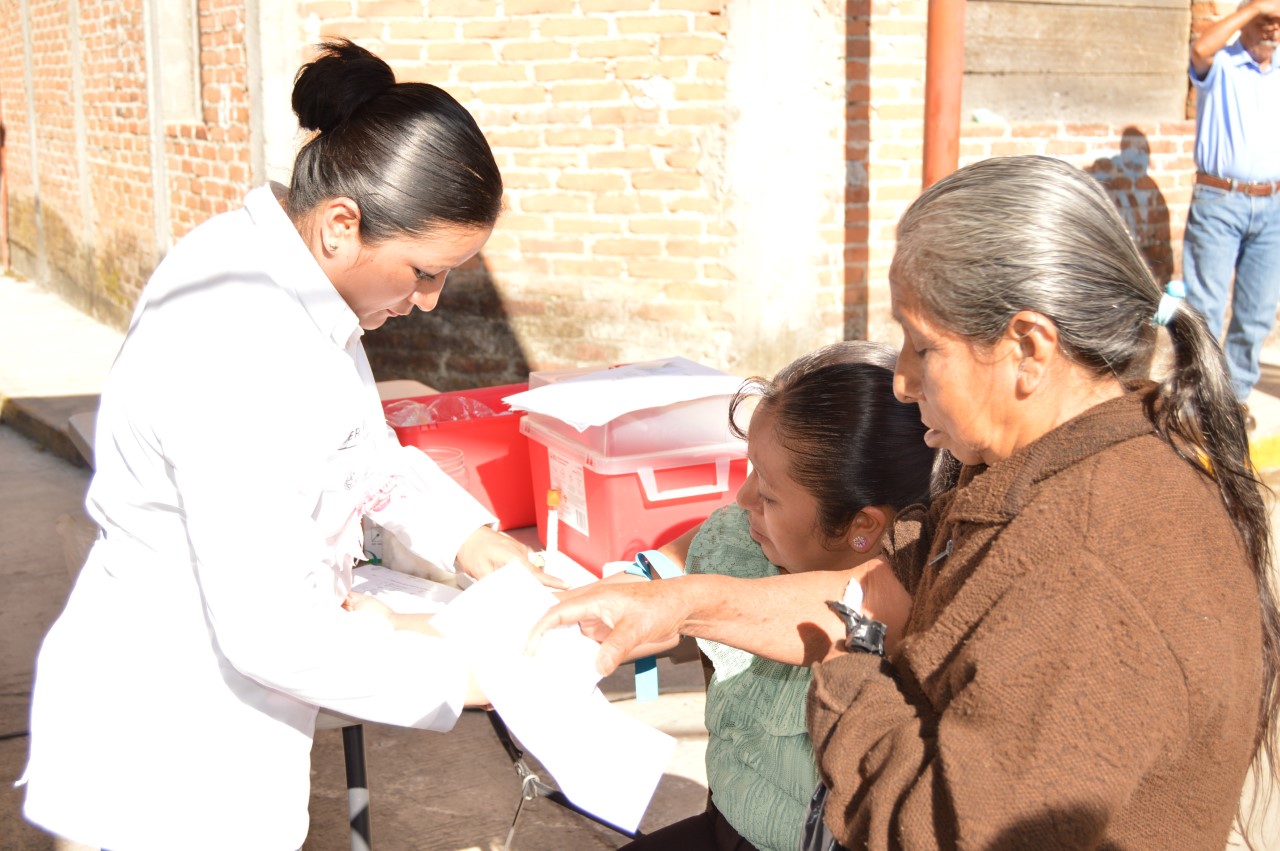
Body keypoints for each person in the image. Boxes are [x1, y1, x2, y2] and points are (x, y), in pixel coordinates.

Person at [531, 155, 1280, 849]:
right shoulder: (1047, 471)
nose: (902, 381)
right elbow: (878, 591)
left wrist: (854, 673)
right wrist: (677, 604)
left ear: (1028, 349)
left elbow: (939, 828)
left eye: (922, 347)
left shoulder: (1087, 565)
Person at [22, 39, 561, 851]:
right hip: (170, 739)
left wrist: (469, 540)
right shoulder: (240, 338)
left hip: (223, 714)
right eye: (423, 271)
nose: (430, 299)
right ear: (343, 223)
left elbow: (360, 452)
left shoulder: (297, 280)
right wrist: (467, 673)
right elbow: (272, 630)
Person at [610, 341, 939, 851]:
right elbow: (662, 580)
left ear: (861, 526)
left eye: (766, 491)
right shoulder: (746, 541)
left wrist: (683, 604)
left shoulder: (919, 628)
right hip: (724, 827)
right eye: (750, 470)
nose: (742, 499)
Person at [1182, 0, 1280, 421]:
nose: (1272, 30)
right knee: (1204, 305)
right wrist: (1254, 8)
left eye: (1278, 23)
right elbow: (1200, 48)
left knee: (1256, 312)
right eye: (1265, 22)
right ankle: (1201, 399)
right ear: (1246, 21)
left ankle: (1233, 400)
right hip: (1219, 200)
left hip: (1273, 204)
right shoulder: (1222, 64)